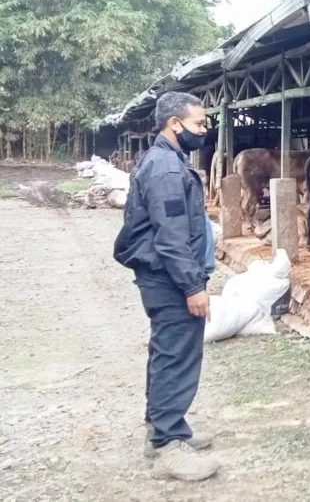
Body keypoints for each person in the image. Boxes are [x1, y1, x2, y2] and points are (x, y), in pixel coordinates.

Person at [113, 91, 221, 482]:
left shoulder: (167, 160)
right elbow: (172, 237)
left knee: (167, 353)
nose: (204, 131)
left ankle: (162, 431)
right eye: (199, 124)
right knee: (176, 355)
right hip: (171, 280)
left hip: (166, 276)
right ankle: (167, 448)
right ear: (174, 124)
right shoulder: (166, 170)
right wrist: (193, 286)